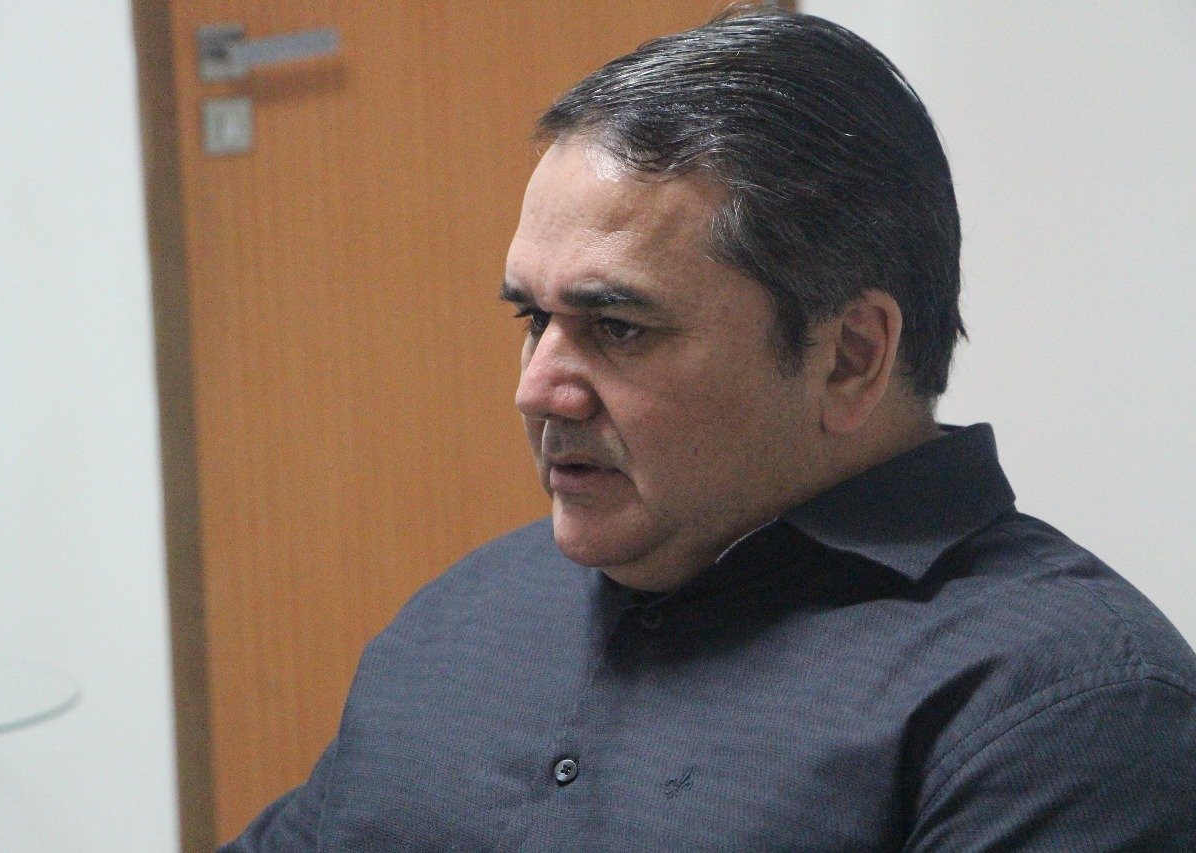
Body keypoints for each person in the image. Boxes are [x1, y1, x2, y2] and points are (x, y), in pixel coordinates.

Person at [224, 5, 1196, 849]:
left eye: (617, 327)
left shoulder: (1061, 707)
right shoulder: (467, 616)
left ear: (849, 356)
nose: (538, 389)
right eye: (532, 318)